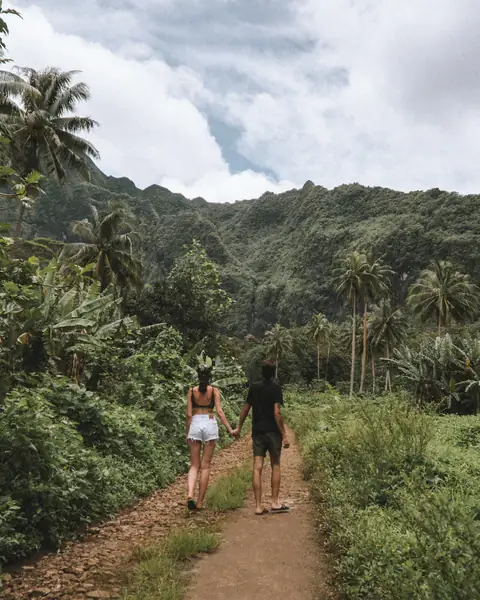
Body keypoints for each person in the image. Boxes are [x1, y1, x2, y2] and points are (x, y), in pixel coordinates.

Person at [233, 360, 290, 515]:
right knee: (275, 465)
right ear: (273, 373)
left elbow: (245, 409)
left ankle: (258, 506)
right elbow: (277, 413)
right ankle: (275, 502)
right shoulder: (276, 388)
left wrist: (239, 427)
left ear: (262, 372)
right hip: (273, 433)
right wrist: (284, 435)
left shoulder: (255, 388)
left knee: (257, 467)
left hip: (258, 432)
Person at [186, 364, 235, 510]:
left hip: (195, 422)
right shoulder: (214, 391)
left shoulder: (191, 391)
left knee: (194, 465)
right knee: (205, 466)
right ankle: (200, 502)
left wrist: (187, 432)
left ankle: (190, 494)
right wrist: (230, 429)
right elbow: (219, 412)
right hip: (210, 422)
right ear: (209, 377)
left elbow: (188, 415)